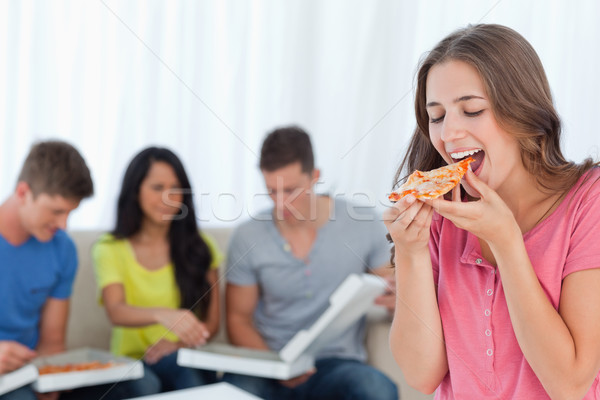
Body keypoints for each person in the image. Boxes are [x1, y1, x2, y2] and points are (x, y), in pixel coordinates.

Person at [384, 23, 600, 399]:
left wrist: (506, 242)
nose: (448, 135)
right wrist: (410, 252)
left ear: (522, 112)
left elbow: (570, 385)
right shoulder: (443, 213)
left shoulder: (588, 201)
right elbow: (421, 376)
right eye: (436, 116)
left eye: (471, 110)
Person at [224, 126, 398, 400]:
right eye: (272, 191)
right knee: (235, 390)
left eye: (291, 190)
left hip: (335, 363)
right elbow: (237, 319)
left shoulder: (363, 222)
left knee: (376, 390)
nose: (281, 204)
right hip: (269, 363)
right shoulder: (248, 236)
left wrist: (397, 299)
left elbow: (391, 292)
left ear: (314, 177)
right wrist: (278, 366)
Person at [0, 140, 139, 400]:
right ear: (23, 193)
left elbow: (52, 341)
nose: (63, 225)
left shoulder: (62, 249)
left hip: (27, 373)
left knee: (135, 387)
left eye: (70, 213)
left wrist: (51, 382)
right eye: (56, 211)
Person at [92, 147, 223, 394]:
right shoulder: (110, 248)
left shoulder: (202, 247)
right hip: (131, 364)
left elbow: (212, 323)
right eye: (157, 188)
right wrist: (165, 315)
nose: (168, 198)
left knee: (185, 369)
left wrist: (177, 344)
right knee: (147, 385)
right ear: (135, 191)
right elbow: (116, 311)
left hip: (182, 356)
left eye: (175, 189)